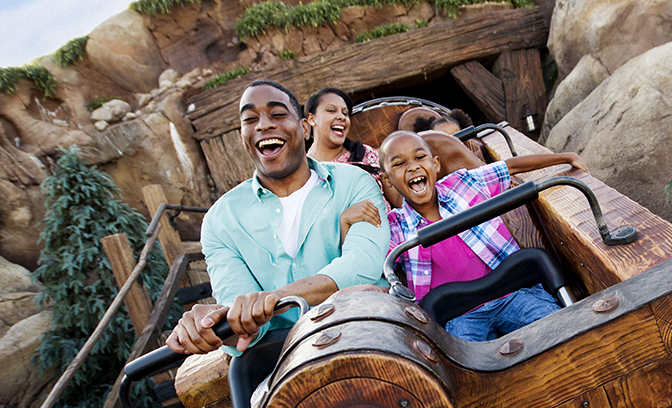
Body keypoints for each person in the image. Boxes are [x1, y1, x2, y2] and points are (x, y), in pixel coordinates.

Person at [165, 80, 389, 360]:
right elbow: (245, 327)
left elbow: (361, 268)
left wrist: (275, 297)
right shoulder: (220, 220)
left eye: (278, 114)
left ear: (305, 128)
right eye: (250, 119)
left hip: (372, 333)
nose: (263, 125)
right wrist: (211, 325)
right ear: (244, 135)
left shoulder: (354, 181)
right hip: (286, 361)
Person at [378, 130, 589, 342]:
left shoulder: (461, 184)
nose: (413, 166)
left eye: (419, 157)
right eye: (399, 164)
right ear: (387, 180)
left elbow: (510, 167)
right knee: (466, 366)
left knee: (562, 330)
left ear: (436, 164)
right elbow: (375, 265)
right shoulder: (396, 226)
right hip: (460, 314)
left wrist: (565, 157)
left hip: (513, 292)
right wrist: (347, 221)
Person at [304, 87, 402, 209]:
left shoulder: (364, 154)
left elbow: (399, 201)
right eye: (331, 110)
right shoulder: (305, 170)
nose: (341, 117)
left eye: (345, 113)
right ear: (311, 119)